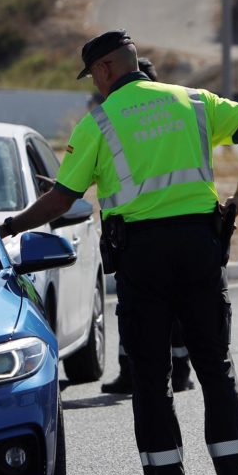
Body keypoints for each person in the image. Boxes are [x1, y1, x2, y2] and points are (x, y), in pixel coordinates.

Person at [0, 29, 238, 475]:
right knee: (215, 369)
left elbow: (63, 199)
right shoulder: (192, 99)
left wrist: (13, 225)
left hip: (144, 256)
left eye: (94, 76)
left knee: (150, 375)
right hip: (200, 246)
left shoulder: (98, 122)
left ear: (104, 70)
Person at [101, 55, 194, 396]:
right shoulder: (179, 111)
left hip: (137, 235)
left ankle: (142, 374)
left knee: (139, 314)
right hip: (185, 230)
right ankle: (178, 373)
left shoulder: (117, 120)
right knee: (176, 314)